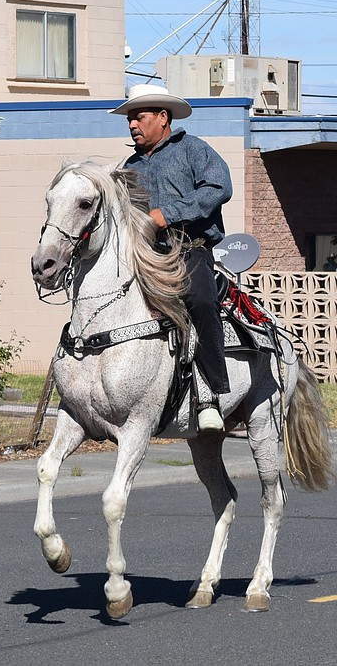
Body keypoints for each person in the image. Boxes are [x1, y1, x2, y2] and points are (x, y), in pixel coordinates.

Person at [112, 83, 233, 433]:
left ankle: (211, 395)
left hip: (189, 249)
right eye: (130, 119)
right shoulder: (129, 166)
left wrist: (170, 213)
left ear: (163, 118)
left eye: (140, 117)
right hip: (146, 255)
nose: (133, 124)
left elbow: (219, 188)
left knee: (199, 300)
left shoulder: (193, 149)